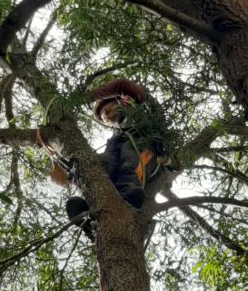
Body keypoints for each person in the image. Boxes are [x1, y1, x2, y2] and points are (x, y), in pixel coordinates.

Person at [66, 78, 171, 236]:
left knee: (129, 159)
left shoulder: (145, 108)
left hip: (146, 148)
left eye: (107, 107)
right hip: (118, 147)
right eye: (102, 118)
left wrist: (82, 99)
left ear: (122, 100)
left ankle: (128, 194)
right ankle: (92, 213)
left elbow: (122, 84)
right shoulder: (115, 139)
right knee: (103, 161)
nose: (105, 115)